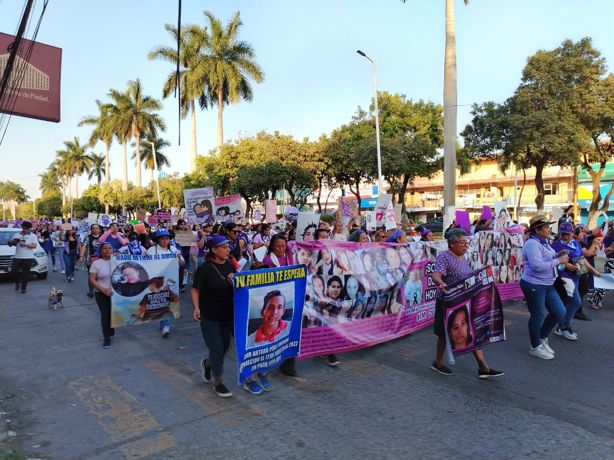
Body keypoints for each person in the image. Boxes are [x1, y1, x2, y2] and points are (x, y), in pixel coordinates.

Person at [431, 228, 503, 378]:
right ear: (452, 244)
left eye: (466, 242)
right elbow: (436, 274)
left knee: (471, 330)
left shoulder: (462, 258)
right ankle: (438, 363)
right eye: (462, 243)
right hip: (447, 302)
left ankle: (483, 367)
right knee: (444, 334)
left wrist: (481, 272)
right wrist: (440, 283)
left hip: (464, 300)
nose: (466, 246)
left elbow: (466, 275)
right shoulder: (444, 257)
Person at [191, 235, 236, 398]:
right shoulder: (204, 268)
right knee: (216, 347)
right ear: (214, 250)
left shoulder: (230, 265)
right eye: (224, 247)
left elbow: (239, 286)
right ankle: (218, 382)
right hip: (209, 316)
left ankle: (208, 363)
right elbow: (195, 289)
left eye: (228, 247)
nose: (227, 250)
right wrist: (196, 308)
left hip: (227, 315)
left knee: (224, 347)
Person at [520, 215, 569, 360]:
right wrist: (558, 260)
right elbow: (536, 266)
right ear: (538, 230)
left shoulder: (544, 242)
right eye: (546, 227)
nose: (549, 229)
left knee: (560, 312)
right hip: (534, 284)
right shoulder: (532, 244)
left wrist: (557, 255)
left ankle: (542, 339)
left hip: (547, 284)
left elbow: (547, 257)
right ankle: (535, 347)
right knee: (538, 315)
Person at [146, 229, 185, 337]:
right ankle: (164, 323)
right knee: (160, 301)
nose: (165, 241)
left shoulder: (173, 250)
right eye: (162, 238)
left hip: (171, 280)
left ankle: (165, 323)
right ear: (158, 240)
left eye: (167, 238)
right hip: (156, 281)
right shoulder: (151, 250)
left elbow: (182, 264)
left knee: (168, 301)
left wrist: (178, 258)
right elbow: (144, 263)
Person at [551, 221, 583, 341]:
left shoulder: (575, 242)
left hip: (576, 276)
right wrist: (567, 265)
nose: (565, 236)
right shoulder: (555, 245)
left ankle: (562, 325)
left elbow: (581, 257)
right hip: (564, 277)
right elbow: (552, 263)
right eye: (563, 234)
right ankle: (564, 326)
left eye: (568, 234)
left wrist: (591, 270)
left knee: (569, 302)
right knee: (576, 302)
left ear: (573, 233)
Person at [89, 242, 114, 348]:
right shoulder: (96, 263)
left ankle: (111, 328)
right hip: (101, 293)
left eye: (109, 248)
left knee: (112, 313)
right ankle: (106, 338)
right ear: (100, 251)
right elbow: (92, 280)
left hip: (115, 294)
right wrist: (104, 290)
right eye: (104, 248)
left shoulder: (117, 261)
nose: (107, 250)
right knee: (105, 315)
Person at [9, 221, 38, 294]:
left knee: (25, 274)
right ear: (22, 228)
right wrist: (12, 242)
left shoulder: (33, 236)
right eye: (24, 229)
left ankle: (23, 288)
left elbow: (34, 246)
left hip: (28, 257)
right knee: (13, 271)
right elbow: (11, 244)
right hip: (17, 256)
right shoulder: (16, 234)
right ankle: (18, 282)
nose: (26, 230)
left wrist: (25, 244)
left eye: (28, 229)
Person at [80, 224, 103, 298]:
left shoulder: (103, 237)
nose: (95, 230)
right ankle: (91, 291)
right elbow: (84, 247)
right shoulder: (87, 237)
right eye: (93, 228)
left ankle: (100, 289)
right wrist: (81, 256)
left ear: (99, 229)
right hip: (90, 260)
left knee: (101, 275)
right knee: (91, 276)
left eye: (97, 228)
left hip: (102, 259)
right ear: (91, 229)